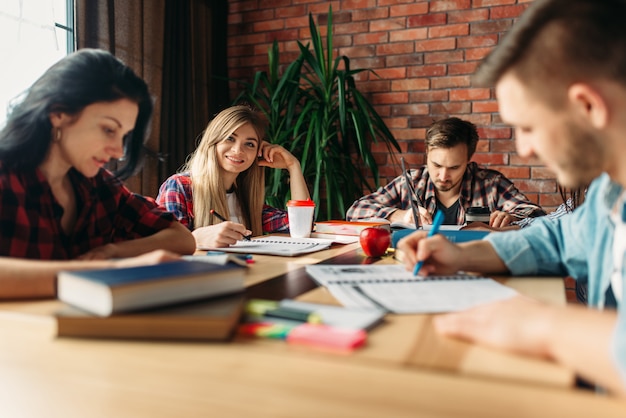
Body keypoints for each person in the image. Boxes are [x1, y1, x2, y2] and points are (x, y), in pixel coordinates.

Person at [397, 0, 626, 395]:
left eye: (528, 126)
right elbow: (556, 238)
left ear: (588, 106)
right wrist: (463, 254)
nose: (524, 150)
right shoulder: (610, 191)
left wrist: (541, 326)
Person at [0, 48, 196, 299]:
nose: (117, 151)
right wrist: (108, 271)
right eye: (108, 129)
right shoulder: (7, 177)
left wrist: (113, 252)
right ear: (58, 113)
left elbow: (182, 239)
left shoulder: (98, 186)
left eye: (124, 135)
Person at [346, 117, 545, 228]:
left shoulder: (491, 184)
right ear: (426, 154)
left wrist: (512, 218)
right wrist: (399, 215)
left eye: (454, 167)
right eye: (436, 165)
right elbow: (356, 211)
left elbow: (537, 215)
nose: (443, 176)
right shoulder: (413, 182)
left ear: (468, 160)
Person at [156, 105, 310, 248]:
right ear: (213, 141)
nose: (238, 150)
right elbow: (163, 245)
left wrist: (293, 166)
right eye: (230, 138)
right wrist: (197, 239)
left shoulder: (245, 199)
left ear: (258, 153)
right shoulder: (180, 187)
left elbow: (301, 226)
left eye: (249, 144)